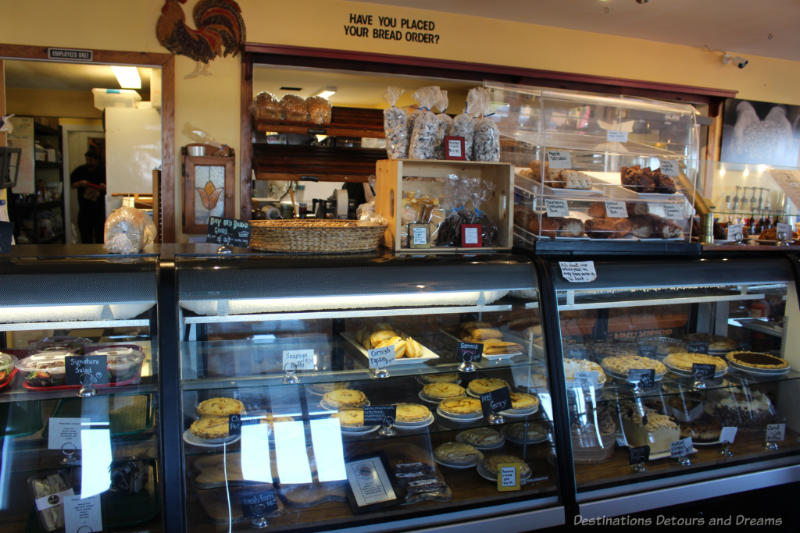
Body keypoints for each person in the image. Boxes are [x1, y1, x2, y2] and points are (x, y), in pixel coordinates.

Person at [70, 149, 106, 243]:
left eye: (91, 160)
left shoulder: (103, 170)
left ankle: (100, 256)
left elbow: (112, 188)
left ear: (96, 160)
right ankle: (87, 255)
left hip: (99, 209)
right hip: (84, 209)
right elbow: (72, 185)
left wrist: (105, 187)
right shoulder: (80, 170)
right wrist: (80, 183)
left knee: (100, 236)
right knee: (85, 236)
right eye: (87, 160)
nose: (88, 162)